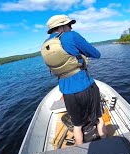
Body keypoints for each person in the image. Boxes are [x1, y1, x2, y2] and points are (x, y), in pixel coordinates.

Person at [41, 14, 107, 145]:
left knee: (77, 125)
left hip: (67, 92)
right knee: (99, 119)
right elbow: (96, 54)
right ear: (62, 27)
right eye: (69, 25)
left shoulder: (45, 45)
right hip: (85, 86)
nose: (71, 27)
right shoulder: (71, 35)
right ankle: (106, 145)